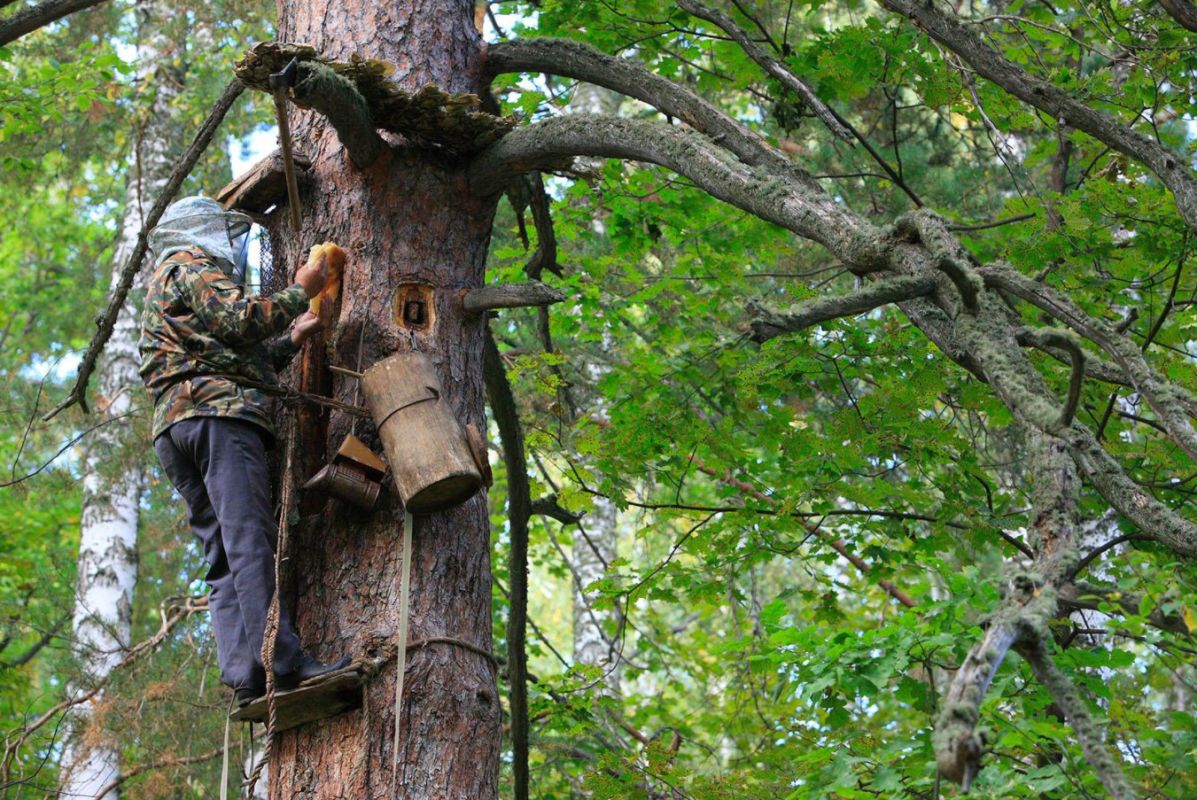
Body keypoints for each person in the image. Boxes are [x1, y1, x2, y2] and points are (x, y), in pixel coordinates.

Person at [138, 196, 348, 707]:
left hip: (177, 429)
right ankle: (285, 663)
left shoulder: (166, 279)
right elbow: (239, 322)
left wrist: (292, 340)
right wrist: (301, 290)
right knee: (249, 541)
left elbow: (228, 354)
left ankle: (246, 675)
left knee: (222, 554)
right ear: (202, 229)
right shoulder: (191, 264)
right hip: (217, 420)